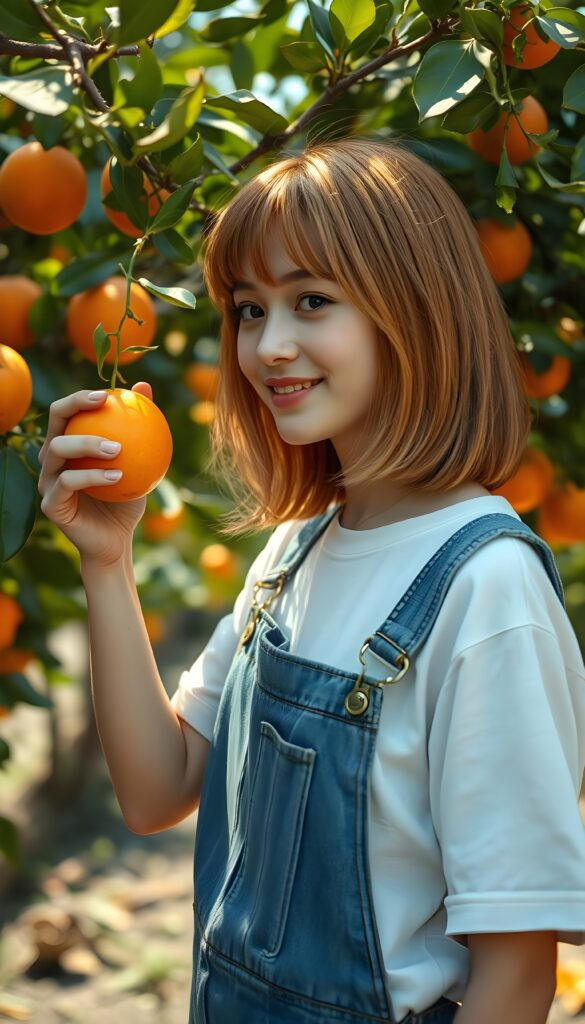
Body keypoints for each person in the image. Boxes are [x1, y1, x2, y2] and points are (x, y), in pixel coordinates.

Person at [37, 135, 585, 1024]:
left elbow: (516, 976)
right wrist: (107, 563)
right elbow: (155, 789)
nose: (270, 346)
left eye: (312, 300)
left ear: (415, 309)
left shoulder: (484, 590)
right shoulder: (293, 551)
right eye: (249, 309)